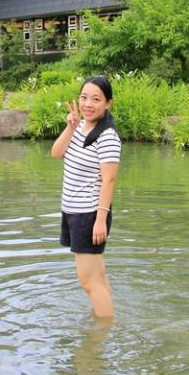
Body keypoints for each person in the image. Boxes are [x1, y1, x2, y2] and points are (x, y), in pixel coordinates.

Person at [50, 76, 120, 319]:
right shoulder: (80, 128)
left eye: (96, 99)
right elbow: (56, 154)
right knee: (97, 276)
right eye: (84, 98)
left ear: (108, 103)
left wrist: (100, 220)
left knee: (89, 281)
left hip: (89, 214)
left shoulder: (107, 137)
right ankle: (104, 320)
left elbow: (109, 180)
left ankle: (102, 333)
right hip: (73, 211)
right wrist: (70, 126)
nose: (88, 104)